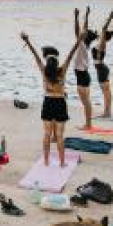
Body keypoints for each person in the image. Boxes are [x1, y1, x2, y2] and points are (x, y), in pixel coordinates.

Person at [22, 31, 82, 168]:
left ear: (47, 63)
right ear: (56, 63)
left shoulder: (44, 71)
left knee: (47, 134)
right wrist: (79, 40)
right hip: (60, 102)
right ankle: (61, 162)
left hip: (48, 102)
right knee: (60, 135)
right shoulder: (62, 71)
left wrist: (28, 41)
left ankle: (46, 161)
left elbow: (36, 56)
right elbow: (71, 55)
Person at [72, 7, 97, 130]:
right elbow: (84, 29)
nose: (83, 32)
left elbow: (77, 31)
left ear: (85, 37)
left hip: (82, 76)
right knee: (87, 102)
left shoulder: (81, 45)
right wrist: (86, 15)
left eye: (85, 33)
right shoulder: (86, 44)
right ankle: (88, 124)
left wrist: (76, 17)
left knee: (86, 102)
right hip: (84, 75)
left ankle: (88, 125)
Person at [93, 9, 113, 119]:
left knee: (106, 92)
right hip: (101, 68)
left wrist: (110, 17)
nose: (99, 34)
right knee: (106, 91)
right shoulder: (100, 42)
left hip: (101, 69)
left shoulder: (102, 43)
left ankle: (107, 112)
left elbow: (104, 29)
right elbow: (103, 30)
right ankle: (106, 111)